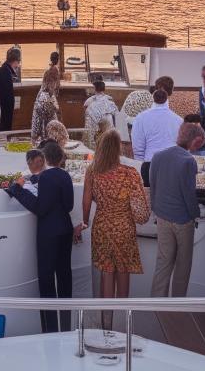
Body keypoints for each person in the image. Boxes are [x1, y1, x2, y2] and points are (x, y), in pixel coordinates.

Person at [76, 130, 149, 330]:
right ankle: (122, 322)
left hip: (102, 226)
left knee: (106, 272)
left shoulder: (92, 171)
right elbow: (140, 207)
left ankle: (105, 323)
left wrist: (84, 222)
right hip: (124, 226)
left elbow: (85, 202)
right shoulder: (129, 173)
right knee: (123, 270)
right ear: (118, 149)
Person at [7, 140, 75, 332]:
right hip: (65, 229)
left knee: (46, 280)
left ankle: (50, 328)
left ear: (44, 158)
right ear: (60, 158)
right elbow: (69, 206)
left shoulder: (46, 178)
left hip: (49, 233)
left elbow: (40, 208)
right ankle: (66, 324)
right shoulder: (65, 176)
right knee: (64, 277)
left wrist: (17, 190)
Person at [149, 122, 205, 297]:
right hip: (182, 220)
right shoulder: (188, 161)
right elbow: (188, 194)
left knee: (163, 263)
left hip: (162, 216)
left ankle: (156, 303)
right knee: (182, 266)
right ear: (196, 140)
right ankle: (178, 305)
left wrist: (156, 209)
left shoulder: (158, 156)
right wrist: (196, 214)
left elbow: (153, 185)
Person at [131, 87, 183, 185]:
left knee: (150, 197)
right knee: (170, 197)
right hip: (172, 165)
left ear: (153, 99)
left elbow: (137, 146)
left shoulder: (141, 118)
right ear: (167, 99)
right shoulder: (178, 120)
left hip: (150, 164)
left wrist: (140, 164)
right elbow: (181, 147)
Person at [83, 79, 119, 147]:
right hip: (109, 124)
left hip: (95, 123)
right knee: (109, 139)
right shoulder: (110, 100)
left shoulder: (89, 101)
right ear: (104, 89)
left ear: (94, 89)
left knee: (95, 141)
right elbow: (118, 117)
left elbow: (85, 111)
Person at [31, 66, 62, 145]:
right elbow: (49, 119)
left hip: (47, 137)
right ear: (50, 82)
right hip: (45, 139)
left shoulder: (49, 93)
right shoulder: (44, 97)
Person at [0, 47, 21, 132]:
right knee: (5, 127)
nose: (18, 65)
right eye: (18, 62)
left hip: (4, 106)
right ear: (16, 61)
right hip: (5, 107)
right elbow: (7, 95)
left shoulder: (3, 70)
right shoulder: (5, 71)